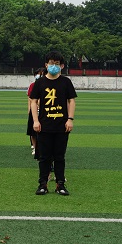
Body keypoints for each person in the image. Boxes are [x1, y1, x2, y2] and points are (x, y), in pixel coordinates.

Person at [29, 50, 77, 196]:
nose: (54, 66)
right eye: (51, 63)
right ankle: (42, 184)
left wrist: (70, 119)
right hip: (44, 125)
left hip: (62, 126)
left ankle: (60, 184)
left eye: (57, 63)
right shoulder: (40, 82)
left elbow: (71, 101)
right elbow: (33, 102)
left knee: (59, 156)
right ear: (46, 65)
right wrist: (35, 121)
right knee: (44, 157)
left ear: (62, 66)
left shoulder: (66, 82)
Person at [27, 68, 45, 156]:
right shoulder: (33, 85)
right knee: (32, 131)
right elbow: (30, 98)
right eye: (38, 74)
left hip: (44, 111)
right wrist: (29, 109)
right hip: (34, 110)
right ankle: (34, 147)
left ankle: (43, 148)